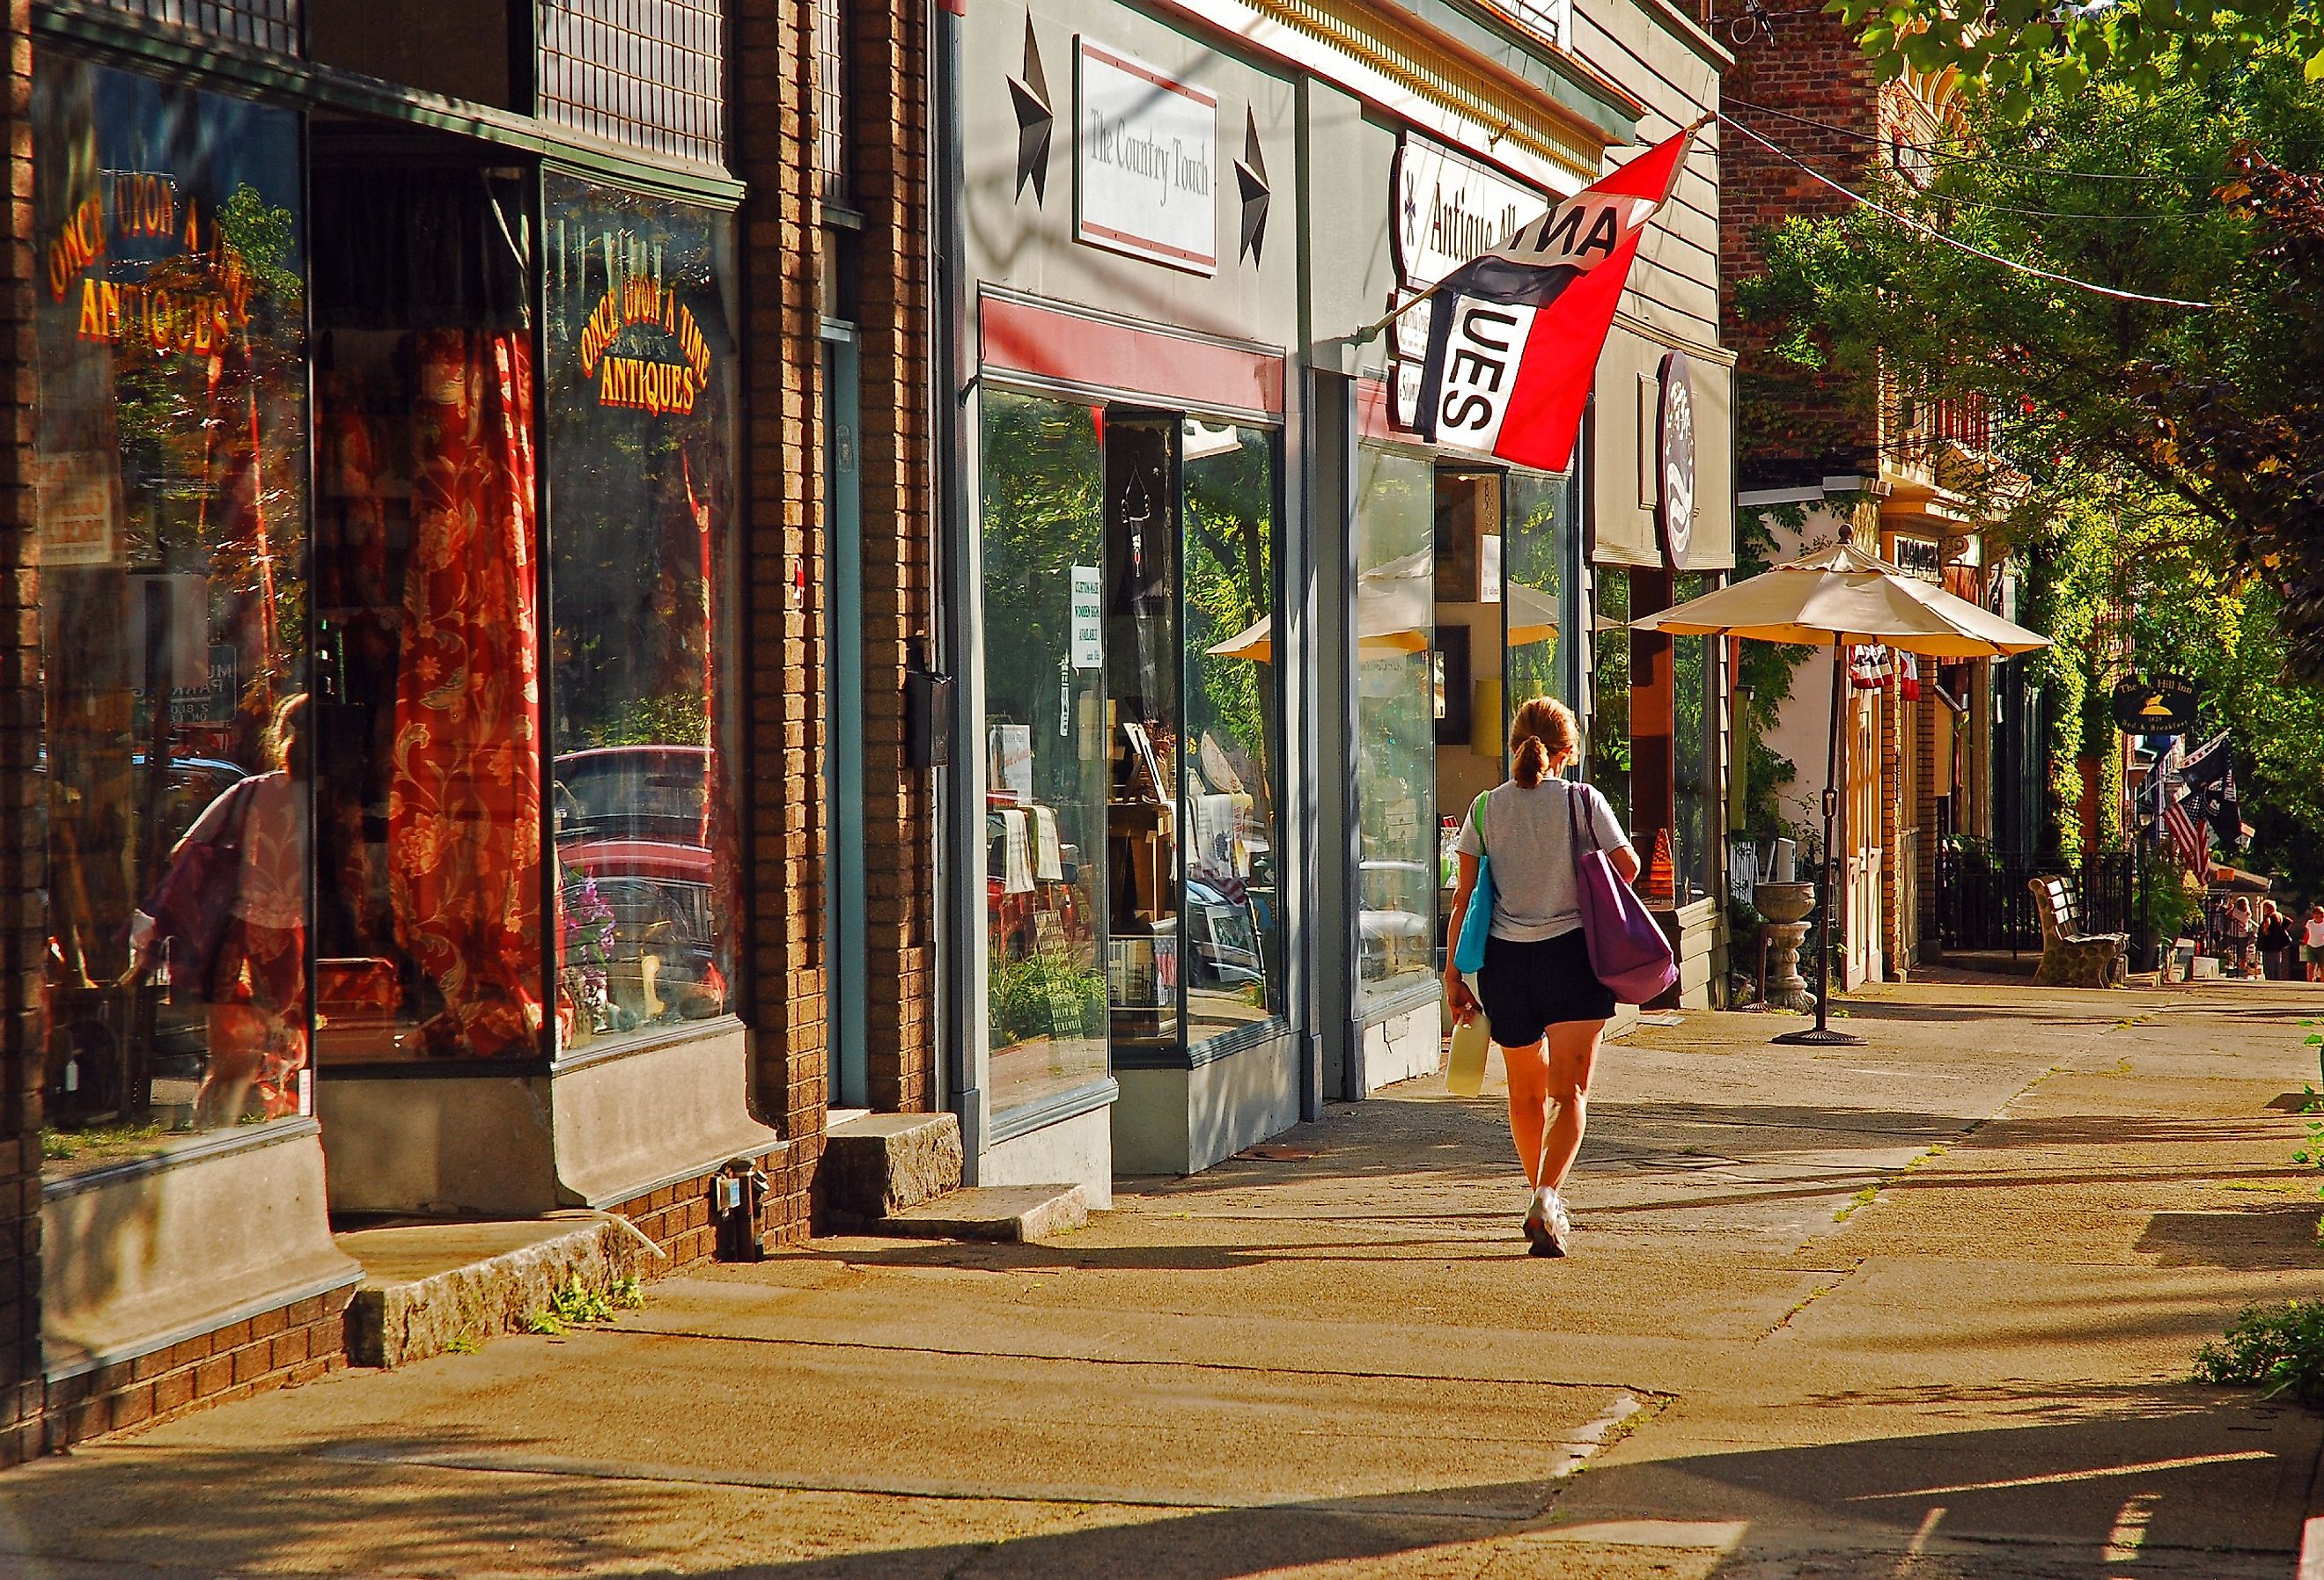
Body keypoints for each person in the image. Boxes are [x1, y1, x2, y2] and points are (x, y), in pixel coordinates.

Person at [1443, 697, 1638, 1258]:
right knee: (1570, 1091)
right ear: (1567, 751)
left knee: (1526, 1094)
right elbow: (1625, 866)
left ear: (1514, 748)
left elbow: (1464, 897)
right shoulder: (1583, 802)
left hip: (1508, 966)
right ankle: (1548, 1197)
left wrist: (1454, 975)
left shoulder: (1485, 809)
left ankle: (1538, 1198)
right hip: (1573, 958)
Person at [128, 694, 311, 1128]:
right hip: (294, 948)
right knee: (290, 1061)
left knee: (231, 1064)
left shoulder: (248, 794)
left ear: (281, 737)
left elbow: (184, 852)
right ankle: (272, 1141)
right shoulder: (328, 799)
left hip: (235, 945)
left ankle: (212, 1138)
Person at [2259, 900, 2294, 981]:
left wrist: (2265, 931)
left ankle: (2270, 979)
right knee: (2277, 964)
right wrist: (2281, 930)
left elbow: (2266, 926)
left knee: (2268, 964)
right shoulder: (2279, 916)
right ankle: (2277, 979)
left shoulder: (2269, 917)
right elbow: (2289, 921)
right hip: (2278, 944)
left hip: (2268, 944)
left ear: (2267, 909)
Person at [2223, 895, 2254, 978]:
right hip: (2232, 933)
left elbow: (2228, 915)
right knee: (2228, 948)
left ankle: (2242, 968)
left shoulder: (2246, 913)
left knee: (2242, 953)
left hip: (2242, 935)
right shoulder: (2237, 911)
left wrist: (2231, 908)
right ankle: (2228, 963)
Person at [2305, 904, 2324, 985]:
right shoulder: (2310, 923)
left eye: (2318, 914)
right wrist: (2305, 941)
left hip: (2322, 946)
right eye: (2315, 914)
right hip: (2311, 946)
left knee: (2322, 967)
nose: (2316, 915)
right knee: (2310, 967)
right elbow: (2307, 933)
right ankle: (2310, 983)